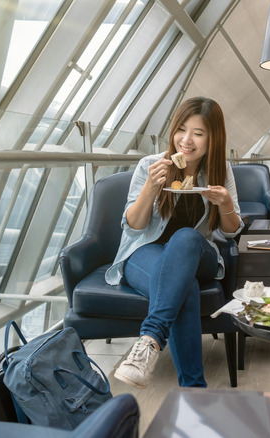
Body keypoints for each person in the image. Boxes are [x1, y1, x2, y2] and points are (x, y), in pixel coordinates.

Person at [106, 97, 243, 389]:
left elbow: (230, 231)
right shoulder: (150, 165)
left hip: (198, 254)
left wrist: (226, 204)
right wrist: (150, 187)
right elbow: (134, 227)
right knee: (184, 286)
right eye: (181, 129)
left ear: (213, 137)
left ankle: (151, 337)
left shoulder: (220, 171)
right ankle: (194, 390)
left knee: (185, 237)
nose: (186, 140)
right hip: (144, 253)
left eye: (198, 132)